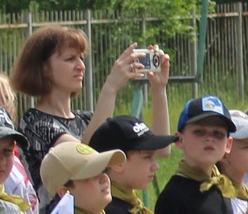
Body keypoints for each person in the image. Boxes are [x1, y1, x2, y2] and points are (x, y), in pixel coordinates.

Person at [11, 26, 166, 189]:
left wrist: (159, 88)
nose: (81, 66)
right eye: (70, 59)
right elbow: (87, 160)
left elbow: (160, 150)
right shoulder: (33, 123)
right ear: (44, 68)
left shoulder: (87, 119)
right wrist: (110, 88)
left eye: (81, 58)